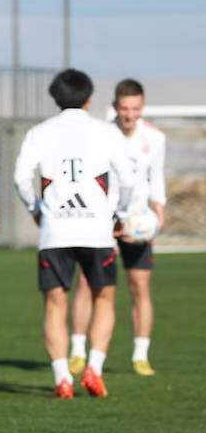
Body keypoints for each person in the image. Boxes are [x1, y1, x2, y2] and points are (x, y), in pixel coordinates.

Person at [14, 69, 133, 399]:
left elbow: (21, 177)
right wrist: (118, 213)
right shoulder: (106, 132)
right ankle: (94, 367)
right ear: (90, 97)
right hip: (97, 230)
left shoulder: (40, 132)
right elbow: (127, 178)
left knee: (55, 305)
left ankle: (62, 376)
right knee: (104, 298)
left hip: (55, 230)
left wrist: (38, 209)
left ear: (55, 98)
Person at [69, 79, 166, 377]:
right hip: (102, 221)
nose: (129, 114)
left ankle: (140, 355)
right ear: (115, 107)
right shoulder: (100, 134)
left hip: (136, 222)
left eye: (135, 108)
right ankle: (77, 351)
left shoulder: (155, 138)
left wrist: (157, 219)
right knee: (88, 285)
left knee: (139, 286)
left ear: (142, 107)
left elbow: (156, 181)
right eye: (124, 108)